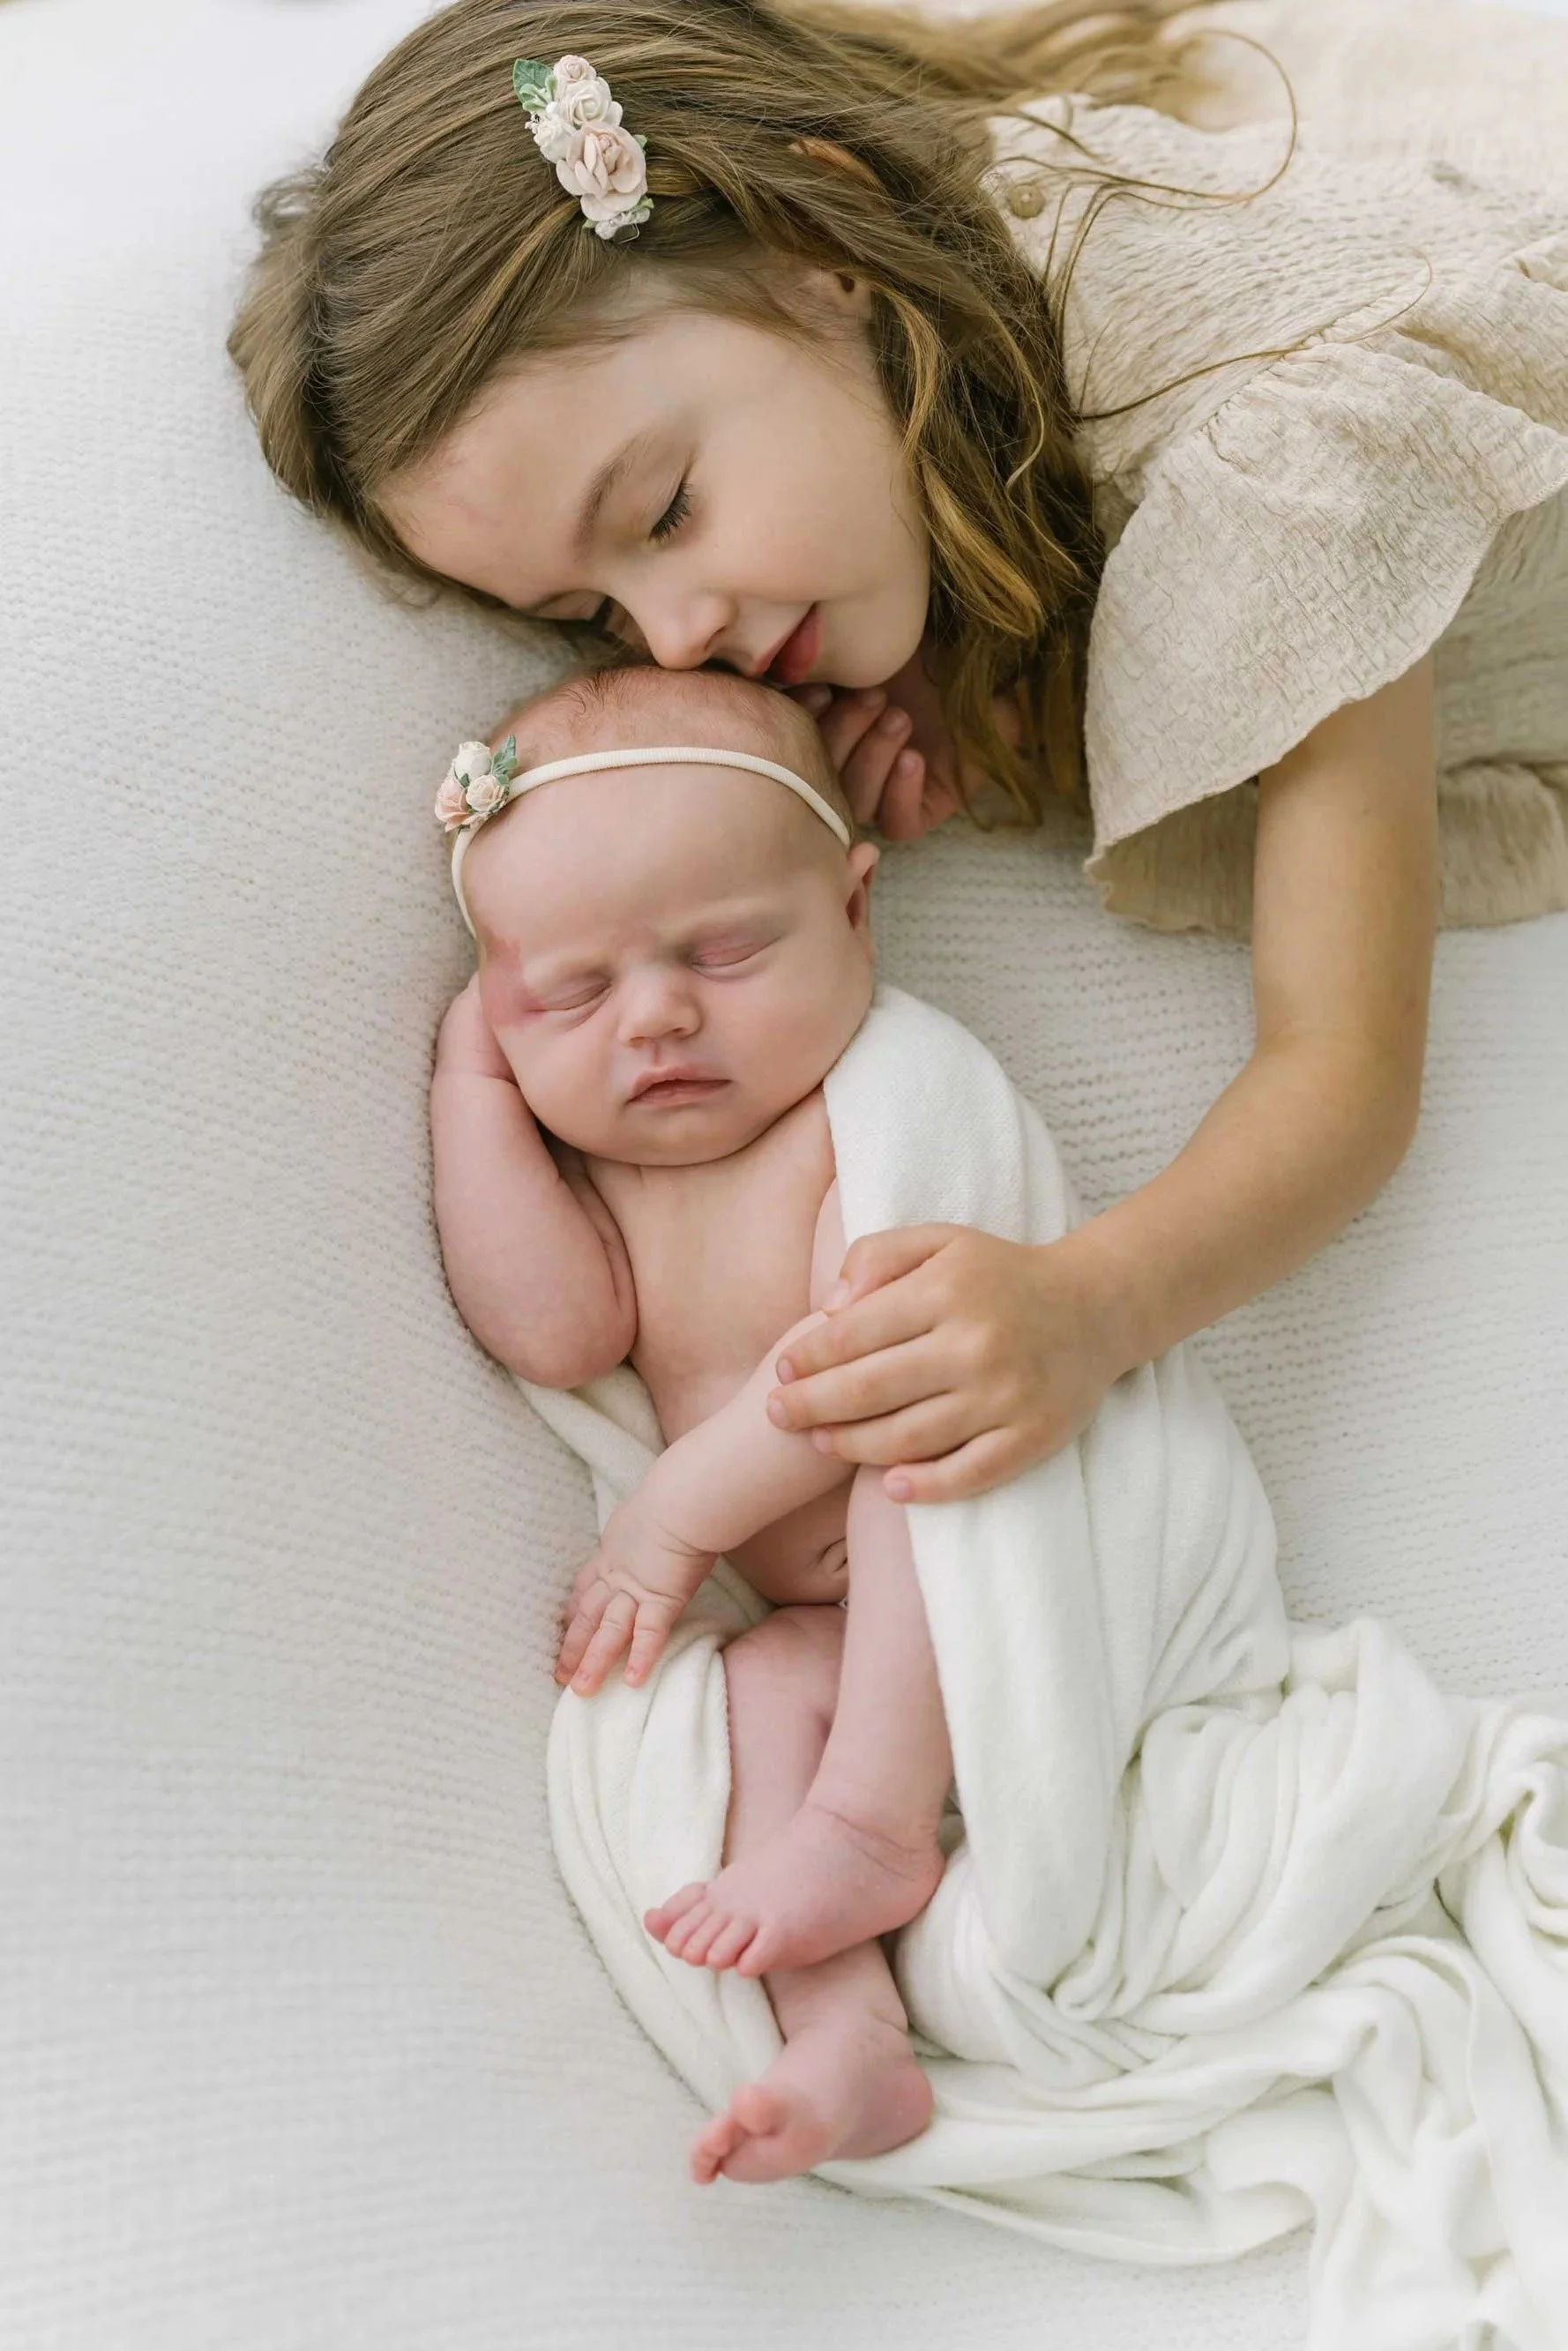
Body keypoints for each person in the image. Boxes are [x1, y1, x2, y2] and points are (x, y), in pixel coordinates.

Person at [230, 0, 1568, 1501]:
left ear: (831, 243)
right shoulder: (892, 347)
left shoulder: (1272, 455)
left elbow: (1343, 1077)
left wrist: (1083, 1307)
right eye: (594, 611)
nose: (672, 639)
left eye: (665, 510)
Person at [430, 661, 953, 2183]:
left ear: (855, 910)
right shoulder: (623, 1184)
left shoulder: (876, 1108)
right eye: (572, 995)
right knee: (750, 1696)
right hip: (847, 1639)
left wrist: (672, 1516)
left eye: (724, 951)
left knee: (928, 1452)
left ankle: (872, 1816)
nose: (656, 1017)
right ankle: (851, 2036)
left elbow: (871, 1360)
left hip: (985, 1526)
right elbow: (551, 1326)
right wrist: (475, 1086)